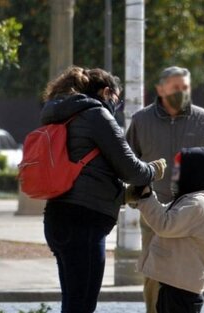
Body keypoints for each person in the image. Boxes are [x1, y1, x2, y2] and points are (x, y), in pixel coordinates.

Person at [39, 65, 166, 313]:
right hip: (84, 224)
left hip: (57, 218)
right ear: (107, 92)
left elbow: (86, 177)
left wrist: (121, 196)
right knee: (82, 304)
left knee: (73, 301)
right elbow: (131, 169)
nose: (116, 108)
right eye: (117, 101)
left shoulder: (62, 114)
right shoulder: (96, 115)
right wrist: (154, 170)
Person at [125, 66, 204, 313]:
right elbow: (127, 161)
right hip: (154, 209)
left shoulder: (202, 119)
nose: (182, 92)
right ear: (161, 89)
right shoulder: (141, 121)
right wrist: (138, 197)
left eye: (186, 87)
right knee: (154, 270)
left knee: (187, 273)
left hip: (191, 211)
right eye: (176, 87)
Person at [126, 147, 204, 313]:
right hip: (172, 281)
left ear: (193, 172)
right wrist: (142, 197)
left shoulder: (197, 204)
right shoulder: (188, 199)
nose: (174, 175)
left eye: (179, 170)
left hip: (181, 287)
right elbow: (165, 213)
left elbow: (165, 225)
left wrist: (147, 197)